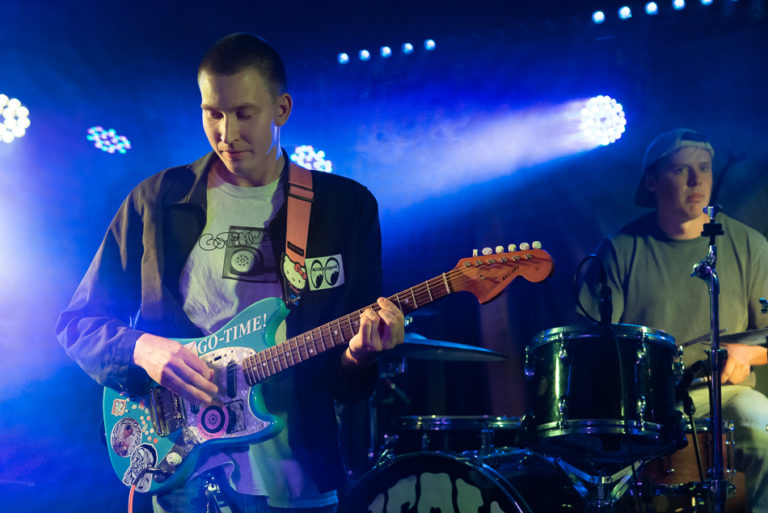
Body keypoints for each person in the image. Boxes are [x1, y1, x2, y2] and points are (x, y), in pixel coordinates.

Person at [56, 33, 405, 513]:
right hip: (181, 477)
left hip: (297, 477)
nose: (226, 134)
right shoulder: (155, 201)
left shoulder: (345, 208)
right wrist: (142, 349)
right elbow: (78, 324)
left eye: (244, 114)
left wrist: (361, 355)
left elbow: (348, 383)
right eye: (212, 114)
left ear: (281, 109)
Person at [579, 128, 768, 512]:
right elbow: (592, 346)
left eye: (704, 168)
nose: (697, 180)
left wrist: (746, 355)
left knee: (763, 426)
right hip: (641, 404)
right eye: (681, 170)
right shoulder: (620, 249)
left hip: (723, 395)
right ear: (651, 181)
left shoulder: (749, 245)